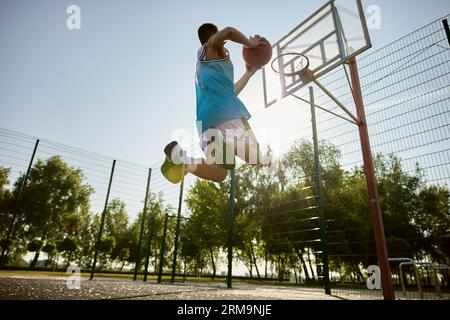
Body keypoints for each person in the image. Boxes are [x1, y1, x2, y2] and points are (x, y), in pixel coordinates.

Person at [161, 23, 268, 184]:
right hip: (227, 115)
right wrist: (249, 43)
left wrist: (248, 73)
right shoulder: (213, 48)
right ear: (214, 36)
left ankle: (183, 159)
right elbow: (229, 31)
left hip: (205, 123)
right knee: (257, 157)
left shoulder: (203, 65)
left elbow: (230, 93)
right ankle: (222, 141)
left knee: (219, 173)